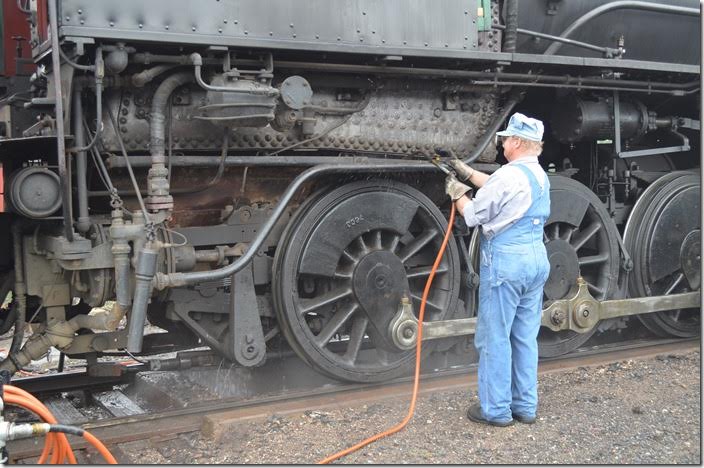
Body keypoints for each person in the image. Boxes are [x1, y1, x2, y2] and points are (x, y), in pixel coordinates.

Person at [444, 112, 551, 427]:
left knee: (495, 337)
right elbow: (501, 187)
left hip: (507, 262)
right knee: (524, 336)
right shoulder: (538, 175)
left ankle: (496, 411)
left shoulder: (508, 176)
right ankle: (526, 407)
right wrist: (467, 172)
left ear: (517, 142)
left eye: (506, 138)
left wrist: (457, 193)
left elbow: (474, 216)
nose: (503, 143)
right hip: (535, 259)